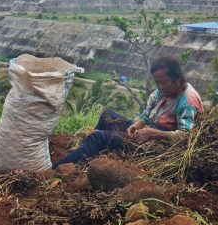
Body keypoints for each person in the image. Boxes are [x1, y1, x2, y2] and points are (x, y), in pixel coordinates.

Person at [53, 57, 203, 167]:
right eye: (157, 82)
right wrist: (136, 126)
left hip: (156, 146)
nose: (160, 86)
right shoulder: (162, 90)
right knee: (107, 115)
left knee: (99, 137)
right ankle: (87, 149)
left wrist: (152, 134)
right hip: (144, 133)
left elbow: (185, 136)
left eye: (163, 82)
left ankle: (59, 166)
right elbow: (146, 115)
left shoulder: (187, 100)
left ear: (177, 79)